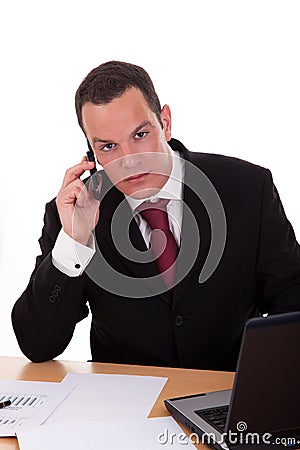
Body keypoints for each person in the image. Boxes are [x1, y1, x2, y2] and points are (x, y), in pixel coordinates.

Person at [12, 61, 300, 371]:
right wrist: (74, 242)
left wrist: (264, 382)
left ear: (165, 122)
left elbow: (292, 300)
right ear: (91, 154)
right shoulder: (74, 212)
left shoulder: (246, 189)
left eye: (140, 135)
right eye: (108, 146)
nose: (130, 161)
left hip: (229, 396)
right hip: (124, 406)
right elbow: (38, 345)